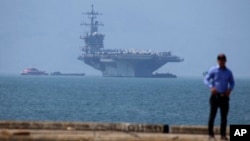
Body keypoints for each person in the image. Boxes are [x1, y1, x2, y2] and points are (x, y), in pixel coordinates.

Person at [204, 54, 235, 141]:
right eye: (219, 59)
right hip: (215, 96)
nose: (221, 61)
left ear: (225, 61)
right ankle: (211, 135)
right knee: (212, 116)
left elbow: (232, 82)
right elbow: (206, 79)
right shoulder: (213, 70)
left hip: (224, 97)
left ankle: (223, 135)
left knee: (224, 117)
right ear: (217, 61)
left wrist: (230, 89)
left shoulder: (228, 72)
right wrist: (211, 87)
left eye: (223, 59)